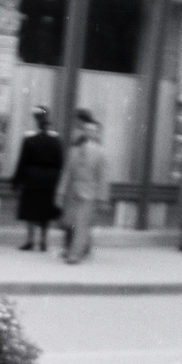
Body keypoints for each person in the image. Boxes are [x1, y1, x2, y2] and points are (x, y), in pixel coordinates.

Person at [57, 111, 109, 264]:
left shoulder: (100, 153)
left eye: (93, 131)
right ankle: (77, 249)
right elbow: (66, 173)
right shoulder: (74, 151)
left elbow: (103, 177)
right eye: (88, 130)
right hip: (73, 192)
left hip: (89, 193)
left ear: (96, 133)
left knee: (81, 225)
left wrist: (103, 197)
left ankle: (75, 254)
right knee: (72, 224)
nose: (90, 133)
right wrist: (60, 193)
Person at [10, 105, 63, 252]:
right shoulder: (56, 141)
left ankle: (30, 240)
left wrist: (16, 181)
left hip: (32, 178)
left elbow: (22, 162)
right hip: (50, 180)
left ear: (36, 121)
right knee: (45, 211)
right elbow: (60, 163)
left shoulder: (29, 140)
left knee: (31, 210)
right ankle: (43, 241)